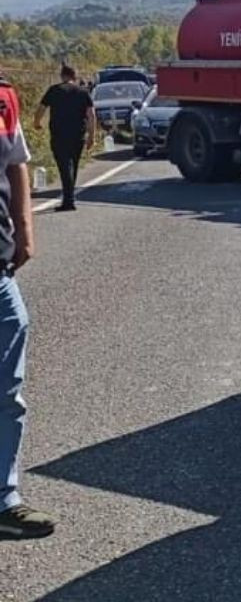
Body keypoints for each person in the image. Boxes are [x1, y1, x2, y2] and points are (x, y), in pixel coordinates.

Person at [0, 68, 55, 539]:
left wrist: (25, 228)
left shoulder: (2, 97)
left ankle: (4, 499)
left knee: (7, 393)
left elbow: (16, 162)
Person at [32, 66, 96, 211]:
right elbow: (91, 115)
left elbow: (41, 109)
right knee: (73, 164)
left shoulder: (54, 90)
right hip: (78, 135)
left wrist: (37, 123)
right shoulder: (83, 92)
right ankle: (69, 197)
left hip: (59, 134)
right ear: (75, 76)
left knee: (64, 166)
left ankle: (69, 200)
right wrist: (91, 136)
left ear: (62, 76)